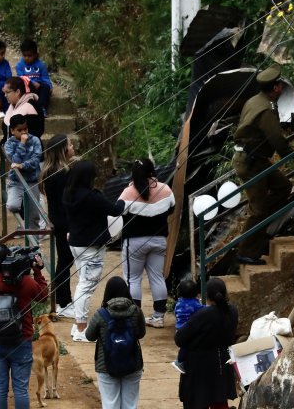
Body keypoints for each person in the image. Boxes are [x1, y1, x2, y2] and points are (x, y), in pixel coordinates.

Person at [231, 65, 294, 265]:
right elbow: (276, 138)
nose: (282, 88)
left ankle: (261, 227)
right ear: (275, 88)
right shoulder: (266, 109)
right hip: (251, 163)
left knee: (283, 186)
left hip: (256, 159)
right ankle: (246, 252)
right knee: (258, 210)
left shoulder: (255, 100)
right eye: (280, 85)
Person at [0, 245, 48, 409]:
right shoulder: (26, 283)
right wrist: (37, 271)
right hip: (21, 339)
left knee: (0, 387)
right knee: (20, 389)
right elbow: (43, 295)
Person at [63, 161, 125, 341]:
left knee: (82, 282)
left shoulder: (68, 194)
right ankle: (82, 328)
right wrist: (123, 198)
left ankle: (77, 325)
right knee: (86, 287)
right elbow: (115, 210)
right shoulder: (92, 196)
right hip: (91, 246)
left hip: (75, 243)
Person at [118, 158, 175, 328]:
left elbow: (117, 211)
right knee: (157, 277)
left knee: (132, 279)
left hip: (133, 242)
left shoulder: (128, 192)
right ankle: (158, 317)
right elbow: (171, 208)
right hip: (159, 240)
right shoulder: (165, 189)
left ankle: (134, 319)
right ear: (153, 170)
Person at [175, 278, 238, 409]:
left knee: (200, 405)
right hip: (222, 364)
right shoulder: (233, 312)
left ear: (206, 296)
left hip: (199, 368)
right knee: (220, 404)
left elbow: (180, 338)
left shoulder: (203, 315)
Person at [85, 276, 145, 409]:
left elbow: (89, 336)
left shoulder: (101, 314)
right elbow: (141, 334)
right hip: (133, 364)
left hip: (106, 366)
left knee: (110, 406)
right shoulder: (136, 311)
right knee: (130, 406)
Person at [40, 134, 75, 318]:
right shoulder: (62, 173)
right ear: (63, 149)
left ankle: (63, 299)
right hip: (64, 221)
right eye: (70, 144)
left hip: (58, 218)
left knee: (64, 259)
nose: (73, 146)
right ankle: (63, 301)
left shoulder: (50, 170)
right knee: (65, 260)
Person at [4, 114, 42, 231]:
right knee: (12, 205)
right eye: (19, 130)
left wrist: (22, 165)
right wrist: (22, 144)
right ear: (12, 131)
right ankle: (24, 223)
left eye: (25, 129)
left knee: (34, 215)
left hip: (32, 180)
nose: (23, 132)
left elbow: (36, 160)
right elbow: (13, 161)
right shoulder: (9, 144)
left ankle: (34, 244)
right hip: (16, 180)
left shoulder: (35, 140)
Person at [171, 278, 204, 374]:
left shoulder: (178, 303)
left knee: (184, 346)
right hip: (187, 330)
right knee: (186, 347)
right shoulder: (194, 304)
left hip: (179, 329)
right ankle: (180, 362)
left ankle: (182, 361)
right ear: (196, 293)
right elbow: (203, 310)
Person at [15, 39, 52, 117]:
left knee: (46, 87)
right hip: (27, 86)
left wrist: (49, 86)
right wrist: (31, 82)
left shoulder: (41, 65)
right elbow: (21, 77)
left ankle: (41, 108)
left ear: (35, 54)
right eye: (24, 55)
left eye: (29, 55)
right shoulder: (20, 65)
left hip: (39, 86)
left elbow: (45, 78)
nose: (27, 58)